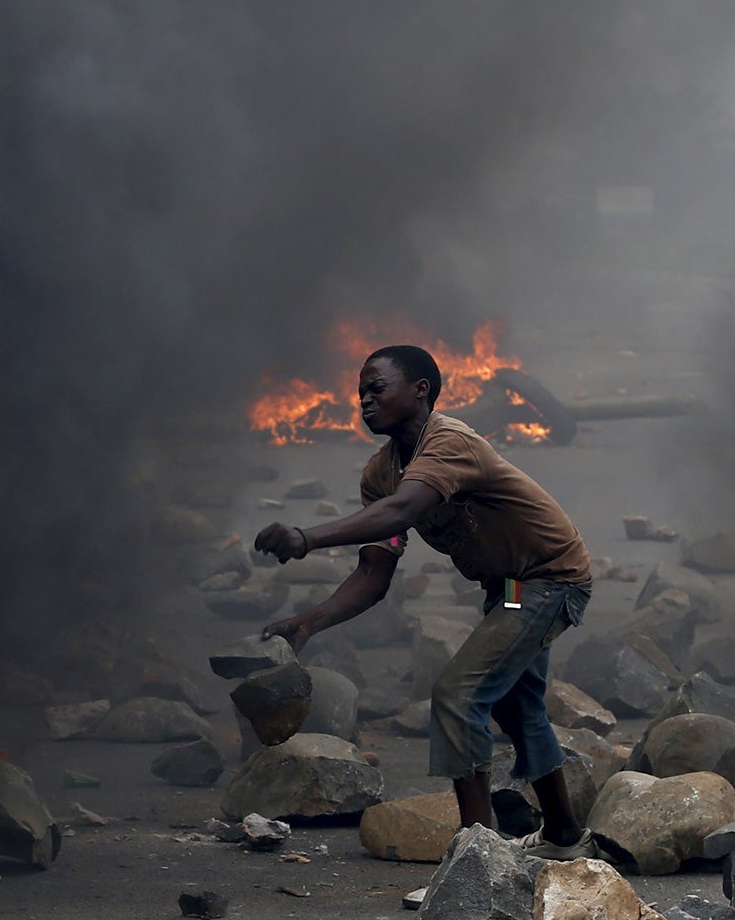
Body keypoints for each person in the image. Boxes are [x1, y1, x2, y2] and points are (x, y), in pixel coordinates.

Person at [253, 344, 594, 856]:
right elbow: (374, 572)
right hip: (510, 589)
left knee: (459, 695)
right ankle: (565, 838)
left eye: (378, 388)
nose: (365, 401)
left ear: (421, 391)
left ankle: (478, 858)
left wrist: (306, 537)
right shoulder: (379, 475)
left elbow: (402, 511)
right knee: (519, 707)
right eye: (360, 392)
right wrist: (311, 622)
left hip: (547, 581)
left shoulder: (450, 442)